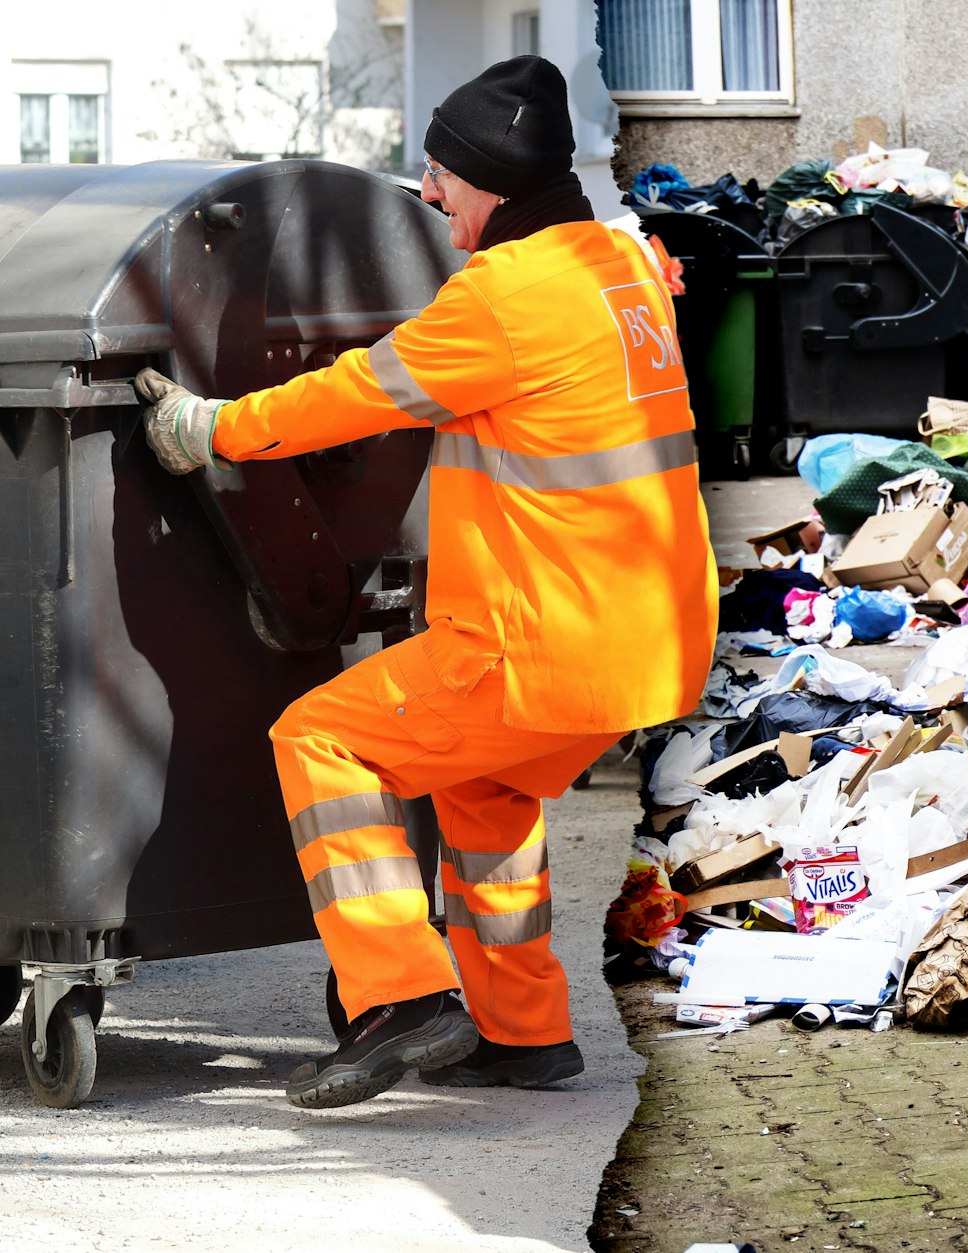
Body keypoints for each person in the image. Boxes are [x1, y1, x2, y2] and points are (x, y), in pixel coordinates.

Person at [133, 55, 717, 1110]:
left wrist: (209, 426)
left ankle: (403, 996)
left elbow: (358, 394)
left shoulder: (503, 296)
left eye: (440, 171)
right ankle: (522, 1029)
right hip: (651, 643)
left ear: (491, 185)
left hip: (544, 644)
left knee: (322, 736)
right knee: (484, 788)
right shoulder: (618, 266)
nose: (427, 190)